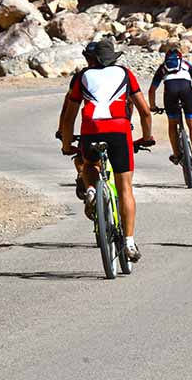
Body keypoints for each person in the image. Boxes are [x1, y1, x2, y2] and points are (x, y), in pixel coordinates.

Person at [58, 39, 155, 263]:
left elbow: (69, 116)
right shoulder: (125, 74)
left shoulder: (83, 76)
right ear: (112, 58)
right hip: (119, 131)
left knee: (90, 164)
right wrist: (147, 137)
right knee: (125, 190)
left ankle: (91, 189)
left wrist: (66, 144)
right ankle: (129, 243)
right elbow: (145, 112)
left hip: (91, 129)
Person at [149, 48, 192, 168]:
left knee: (172, 123)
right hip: (186, 91)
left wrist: (153, 106)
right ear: (180, 58)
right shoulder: (186, 65)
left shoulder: (162, 68)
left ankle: (176, 155)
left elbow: (152, 90)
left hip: (170, 92)